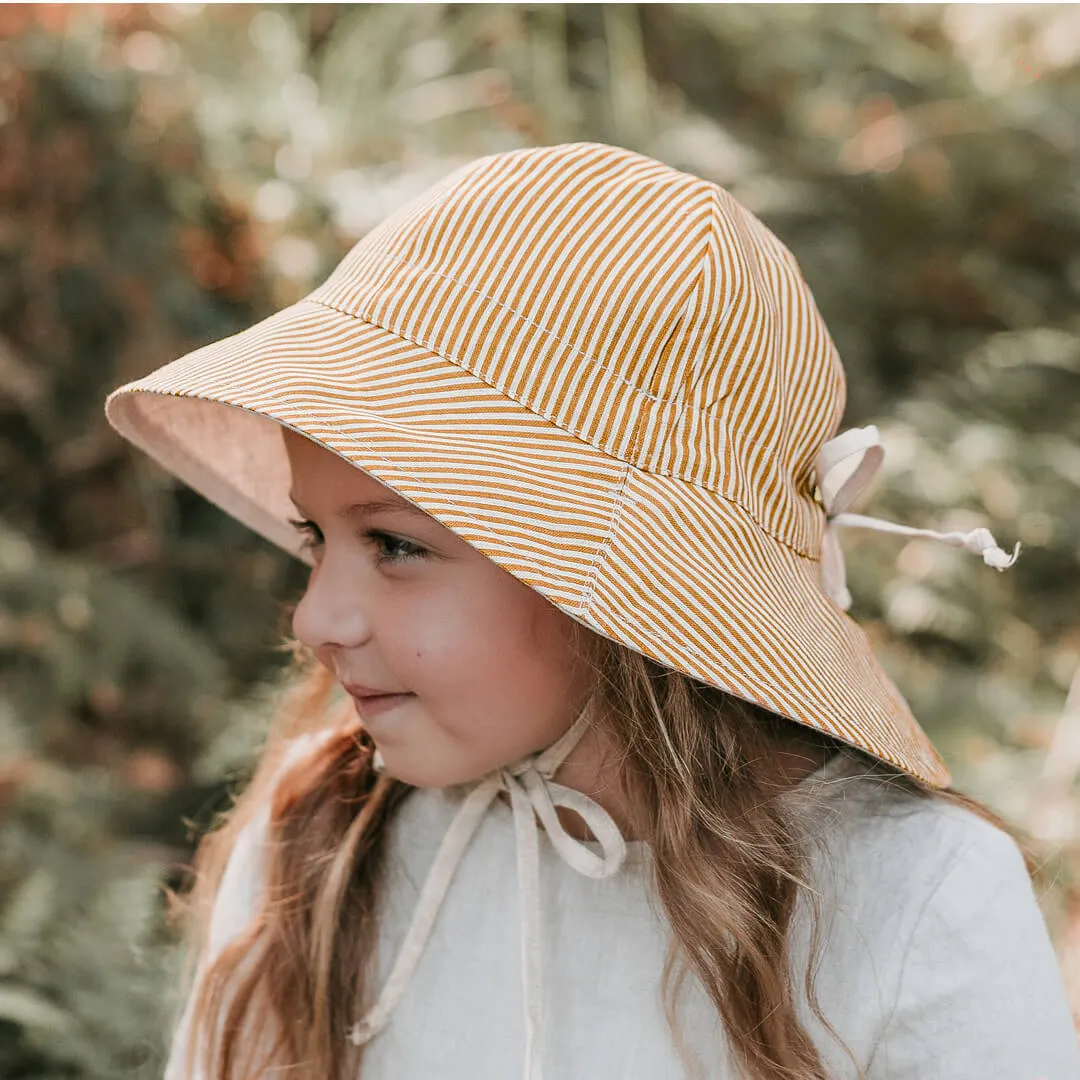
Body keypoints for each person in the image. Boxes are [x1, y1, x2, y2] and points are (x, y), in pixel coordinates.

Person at [105, 142, 1080, 1080]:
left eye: (396, 546)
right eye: (317, 538)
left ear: (617, 584)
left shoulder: (913, 901)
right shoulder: (322, 847)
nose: (315, 620)